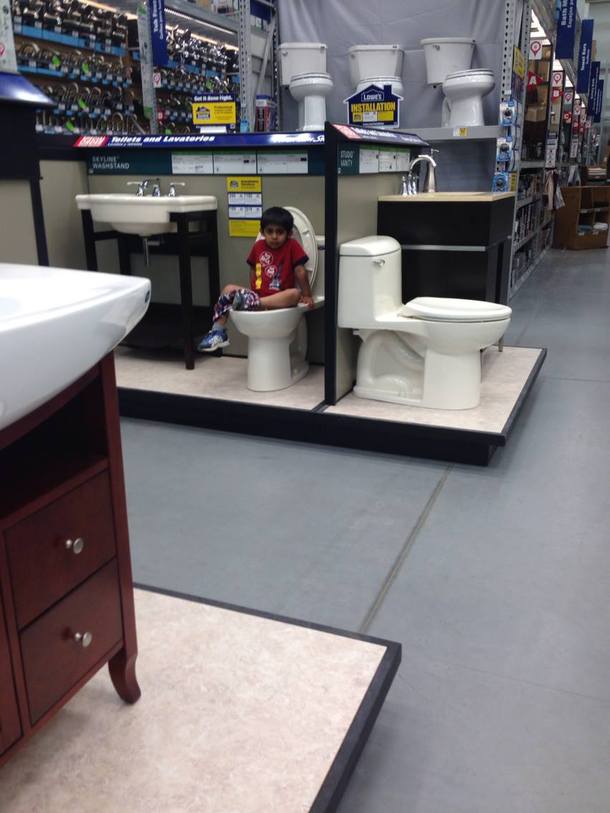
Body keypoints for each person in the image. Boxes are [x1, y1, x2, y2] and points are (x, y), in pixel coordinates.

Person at [197, 206, 314, 352]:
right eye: (270, 231)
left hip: (280, 300)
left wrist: (307, 294)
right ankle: (218, 331)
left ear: (289, 233)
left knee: (295, 294)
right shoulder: (258, 246)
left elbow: (300, 271)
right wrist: (252, 292)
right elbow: (253, 269)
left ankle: (253, 302)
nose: (274, 236)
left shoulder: (292, 246)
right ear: (262, 232)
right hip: (258, 296)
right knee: (228, 289)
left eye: (280, 232)